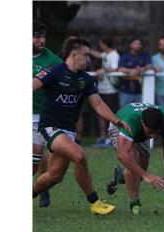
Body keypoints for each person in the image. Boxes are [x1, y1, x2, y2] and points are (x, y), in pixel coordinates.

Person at [32, 38, 131, 215]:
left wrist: (116, 120)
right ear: (74, 55)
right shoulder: (54, 72)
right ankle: (95, 203)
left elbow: (98, 104)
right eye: (86, 55)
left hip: (68, 131)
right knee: (79, 155)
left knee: (54, 177)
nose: (89, 59)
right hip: (49, 128)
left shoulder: (86, 80)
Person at [105, 102, 164, 214]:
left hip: (140, 134)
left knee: (138, 174)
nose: (153, 136)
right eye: (151, 132)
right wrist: (146, 175)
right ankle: (135, 205)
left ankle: (120, 175)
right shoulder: (130, 121)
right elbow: (122, 154)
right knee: (133, 161)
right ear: (143, 122)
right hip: (120, 126)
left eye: (157, 133)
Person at [32, 19, 63, 208]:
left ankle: (43, 188)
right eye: (37, 36)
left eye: (44, 37)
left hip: (37, 115)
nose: (42, 41)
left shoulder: (51, 60)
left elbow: (66, 74)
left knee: (35, 157)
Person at [90, 37, 120, 147]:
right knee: (100, 114)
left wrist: (104, 70)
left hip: (110, 90)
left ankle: (110, 138)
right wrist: (87, 50)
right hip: (102, 89)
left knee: (109, 115)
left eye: (100, 44)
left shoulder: (114, 55)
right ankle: (102, 137)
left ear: (104, 44)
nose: (100, 46)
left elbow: (116, 69)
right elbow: (98, 55)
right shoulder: (106, 54)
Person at [118, 37, 152, 107]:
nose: (137, 46)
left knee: (139, 114)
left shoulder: (144, 55)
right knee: (124, 114)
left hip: (139, 91)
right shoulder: (125, 56)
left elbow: (150, 65)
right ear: (131, 45)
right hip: (125, 91)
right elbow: (120, 69)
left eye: (139, 44)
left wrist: (143, 68)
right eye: (135, 44)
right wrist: (133, 70)